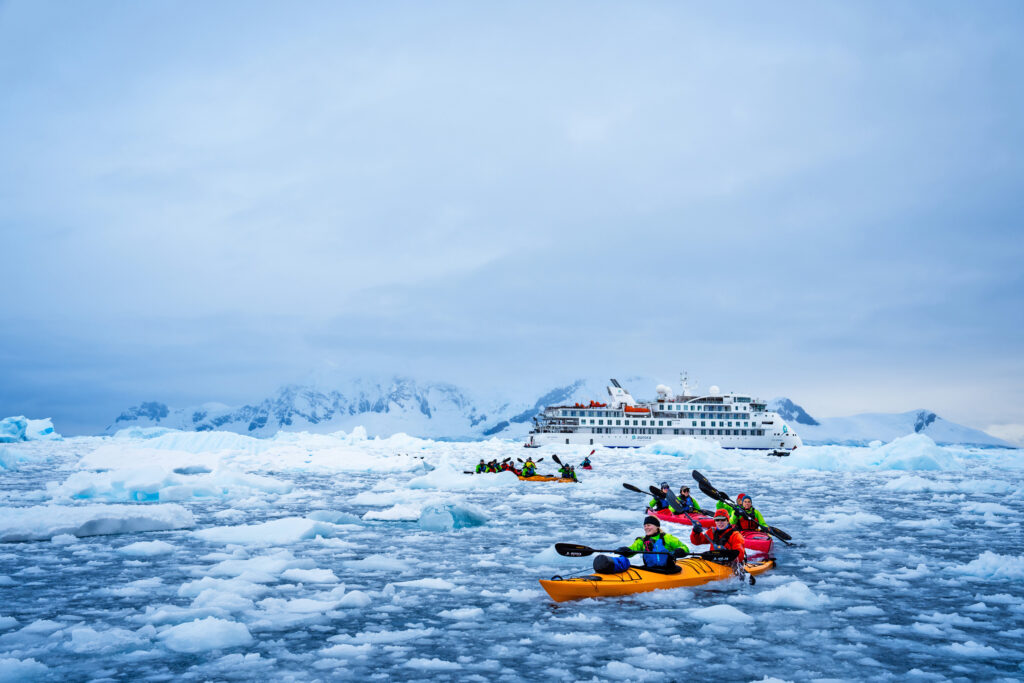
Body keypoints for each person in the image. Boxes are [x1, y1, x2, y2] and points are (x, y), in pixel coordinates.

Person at [595, 516, 689, 574]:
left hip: (668, 569)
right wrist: (625, 550)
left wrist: (679, 550)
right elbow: (632, 550)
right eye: (645, 526)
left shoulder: (667, 537)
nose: (646, 528)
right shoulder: (642, 540)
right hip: (650, 570)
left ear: (657, 527)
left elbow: (685, 548)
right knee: (623, 559)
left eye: (649, 525)